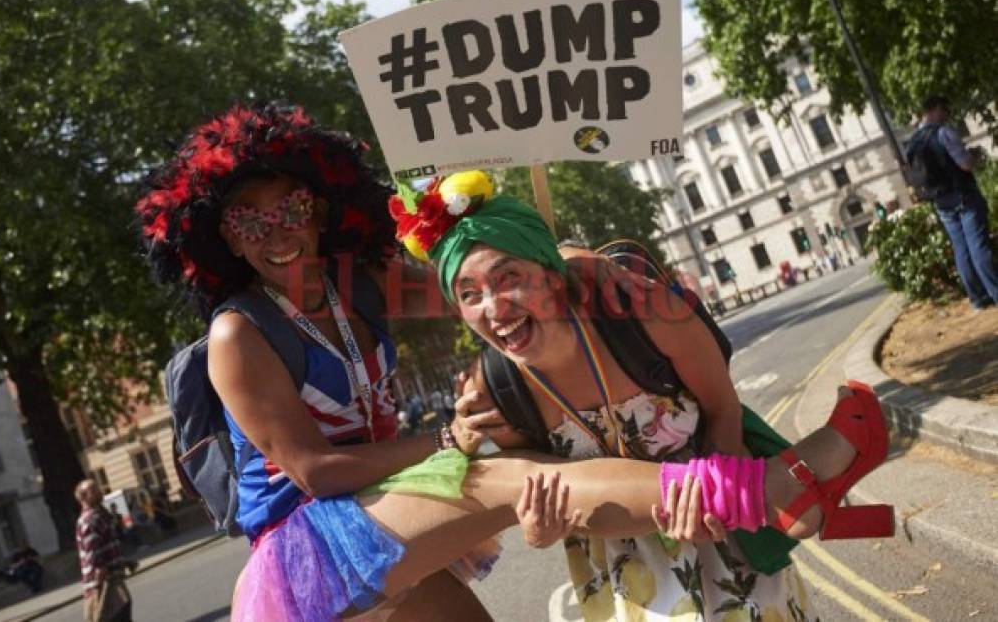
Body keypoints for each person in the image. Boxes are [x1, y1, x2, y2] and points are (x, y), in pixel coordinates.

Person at [136, 104, 886, 622]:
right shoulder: (237, 334)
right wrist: (444, 442)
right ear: (221, 239)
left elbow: (483, 273)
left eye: (289, 209)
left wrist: (572, 262)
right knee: (502, 473)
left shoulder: (354, 289)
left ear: (321, 207)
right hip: (308, 554)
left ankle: (750, 494)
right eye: (248, 221)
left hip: (379, 525)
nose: (275, 233)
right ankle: (768, 487)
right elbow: (315, 472)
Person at [393, 171, 893, 620]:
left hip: (728, 553)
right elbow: (540, 494)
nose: (494, 306)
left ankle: (776, 486)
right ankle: (794, 480)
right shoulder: (493, 392)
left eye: (509, 279)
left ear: (551, 275)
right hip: (628, 585)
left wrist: (711, 506)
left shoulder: (639, 310)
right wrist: (539, 532)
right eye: (470, 294)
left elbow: (721, 407)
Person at [910, 95, 998, 310]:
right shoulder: (944, 132)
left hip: (941, 202)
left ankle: (977, 299)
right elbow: (965, 164)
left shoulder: (913, 142)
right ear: (935, 109)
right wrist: (975, 155)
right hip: (963, 195)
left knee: (961, 249)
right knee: (978, 246)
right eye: (944, 110)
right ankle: (995, 291)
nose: (946, 115)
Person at [75, 480, 132, 622]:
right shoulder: (89, 519)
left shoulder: (98, 516)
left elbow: (106, 546)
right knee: (119, 615)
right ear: (83, 496)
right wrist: (98, 583)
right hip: (104, 581)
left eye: (97, 488)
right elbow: (92, 552)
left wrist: (123, 562)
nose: (99, 491)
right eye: (93, 490)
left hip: (110, 577)